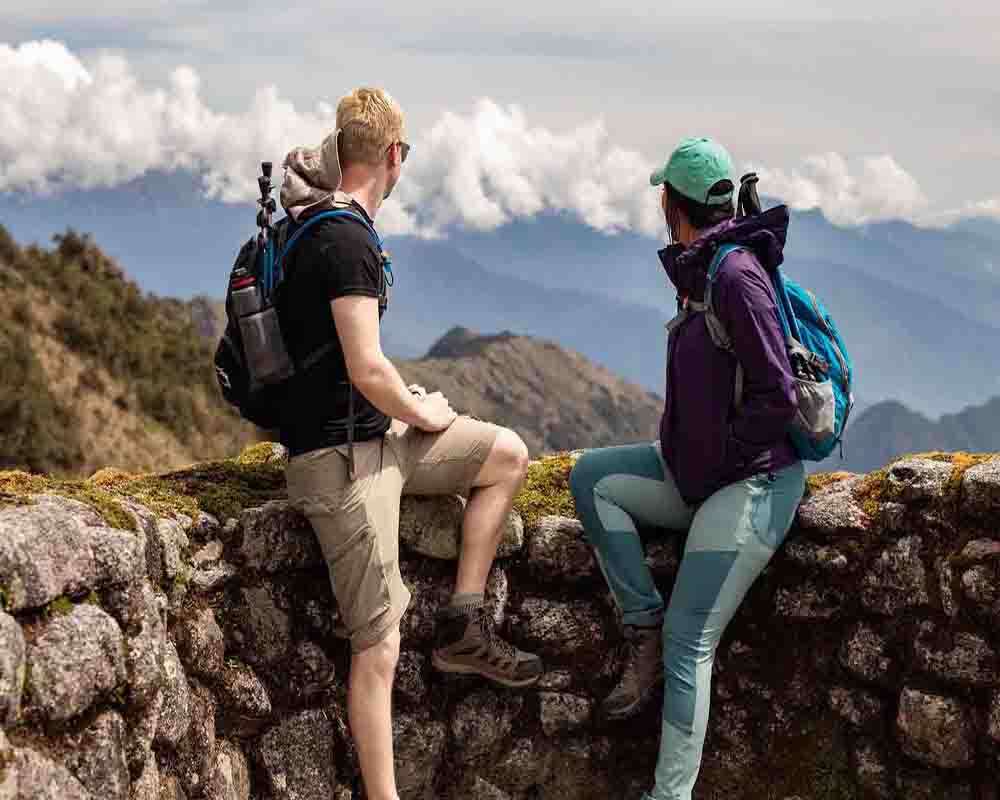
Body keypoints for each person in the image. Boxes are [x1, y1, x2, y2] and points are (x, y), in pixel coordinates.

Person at [277, 87, 542, 800]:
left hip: (375, 437)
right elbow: (366, 367)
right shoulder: (346, 239)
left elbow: (357, 370)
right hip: (342, 465)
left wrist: (408, 409)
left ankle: (463, 622)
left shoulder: (322, 228)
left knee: (506, 456)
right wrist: (419, 415)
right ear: (395, 155)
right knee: (379, 644)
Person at [569, 137, 806, 800]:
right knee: (591, 480)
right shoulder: (702, 270)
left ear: (675, 204)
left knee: (690, 642)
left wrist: (726, 460)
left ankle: (668, 796)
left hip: (754, 485)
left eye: (662, 197)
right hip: (701, 475)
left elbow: (778, 393)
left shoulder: (734, 277)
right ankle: (638, 629)